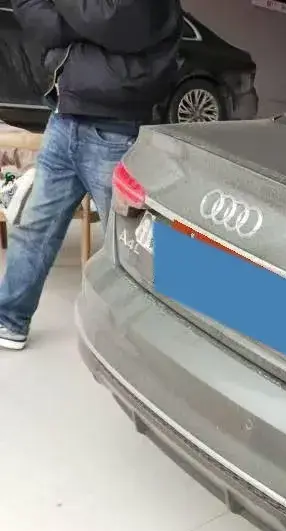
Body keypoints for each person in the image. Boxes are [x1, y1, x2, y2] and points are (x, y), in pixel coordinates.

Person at [0, 0, 182, 351]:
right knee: (34, 226)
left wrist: (75, 20)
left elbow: (111, 20)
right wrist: (80, 23)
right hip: (64, 118)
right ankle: (9, 319)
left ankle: (157, 343)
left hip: (116, 130)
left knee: (134, 244)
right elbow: (48, 21)